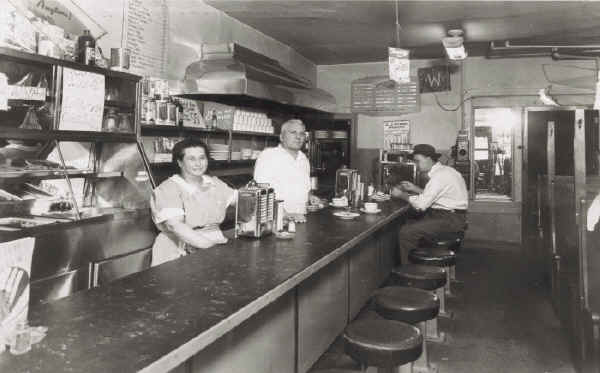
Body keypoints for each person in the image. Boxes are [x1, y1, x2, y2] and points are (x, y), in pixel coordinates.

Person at [150, 138, 236, 266]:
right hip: (179, 248)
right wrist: (210, 247)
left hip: (214, 242)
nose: (198, 163)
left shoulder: (214, 183)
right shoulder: (168, 188)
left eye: (202, 158)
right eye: (191, 159)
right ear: (180, 162)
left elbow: (242, 200)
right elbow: (176, 226)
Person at [391, 144, 468, 264]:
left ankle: (411, 271)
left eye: (417, 161)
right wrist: (415, 188)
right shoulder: (446, 171)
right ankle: (421, 264)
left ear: (429, 159)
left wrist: (401, 195)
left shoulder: (439, 176)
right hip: (452, 216)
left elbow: (421, 205)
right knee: (410, 223)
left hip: (450, 219)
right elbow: (439, 197)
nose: (416, 165)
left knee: (406, 232)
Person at [254, 119, 320, 223]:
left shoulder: (303, 159)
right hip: (275, 222)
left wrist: (310, 197)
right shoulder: (268, 156)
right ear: (281, 137)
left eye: (302, 134)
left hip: (300, 219)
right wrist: (284, 214)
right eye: (293, 132)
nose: (298, 137)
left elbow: (302, 188)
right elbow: (261, 192)